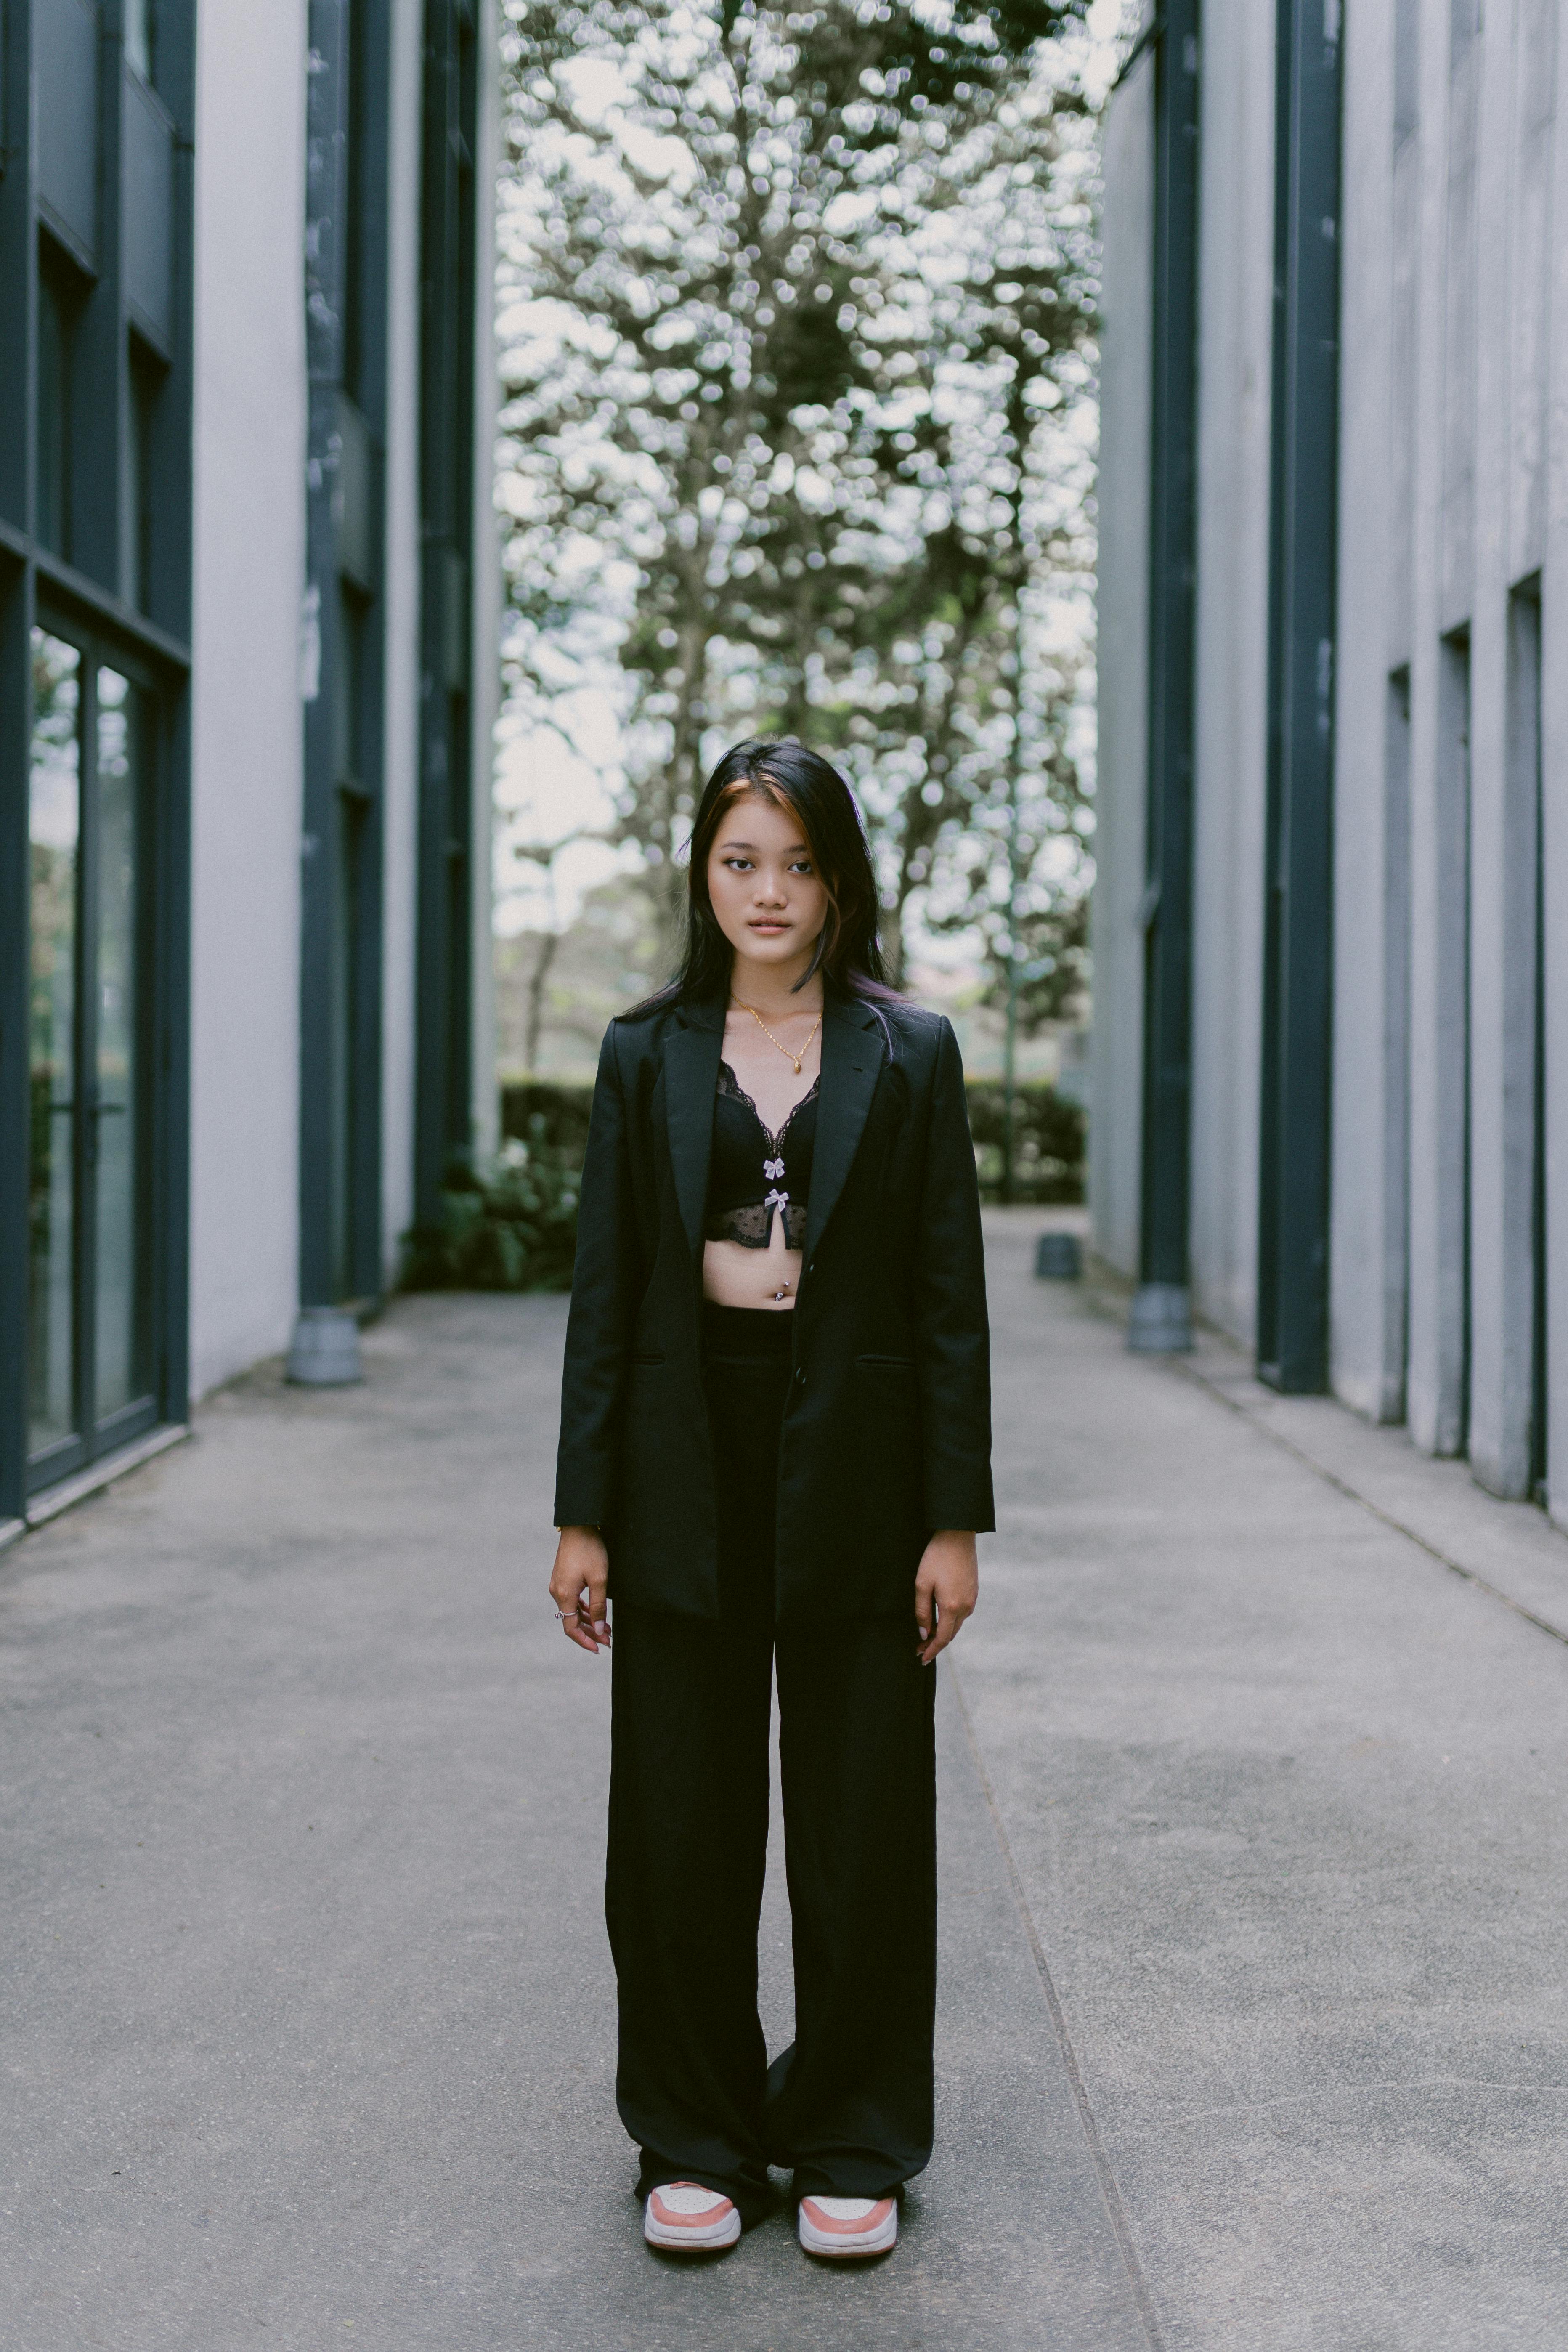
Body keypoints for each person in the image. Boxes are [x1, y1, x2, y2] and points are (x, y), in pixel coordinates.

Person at [549, 738, 993, 2262]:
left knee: (866, 1806)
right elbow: (604, 1299)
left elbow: (950, 1304)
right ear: (703, 874)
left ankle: (854, 2131)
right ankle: (698, 2134)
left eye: (799, 863)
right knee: (679, 1809)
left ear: (842, 880)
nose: (770, 891)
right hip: (683, 1453)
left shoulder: (913, 1052)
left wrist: (954, 1519)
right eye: (742, 860)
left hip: (864, 1469)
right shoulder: (641, 1051)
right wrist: (584, 1511)